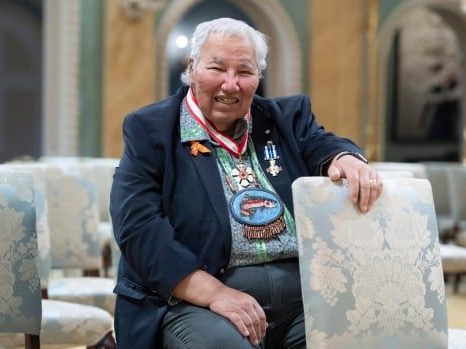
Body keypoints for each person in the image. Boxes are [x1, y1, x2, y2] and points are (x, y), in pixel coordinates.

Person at [110, 17, 383, 349]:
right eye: (217, 69)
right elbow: (138, 227)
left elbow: (320, 142)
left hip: (302, 299)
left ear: (258, 77)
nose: (230, 85)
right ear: (192, 68)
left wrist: (344, 158)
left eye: (244, 72)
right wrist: (214, 293)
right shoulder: (151, 131)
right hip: (195, 299)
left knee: (363, 338)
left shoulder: (285, 118)